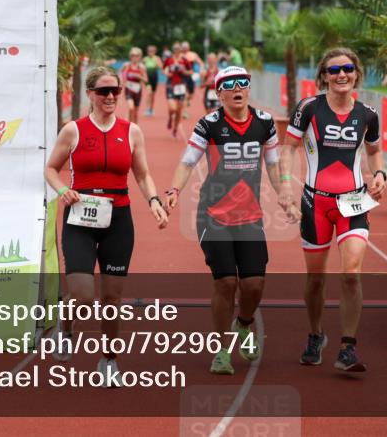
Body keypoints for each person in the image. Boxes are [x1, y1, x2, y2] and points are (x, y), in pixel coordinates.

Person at [44, 66, 169, 385]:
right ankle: (67, 328)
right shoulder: (73, 130)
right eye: (104, 91)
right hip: (80, 218)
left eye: (116, 90)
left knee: (112, 297)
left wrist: (154, 200)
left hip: (118, 219)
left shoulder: (131, 131)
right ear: (90, 95)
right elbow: (50, 169)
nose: (111, 96)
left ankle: (109, 358)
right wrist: (62, 190)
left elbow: (142, 174)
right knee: (83, 294)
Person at [165, 66, 284, 374]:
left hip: (250, 216)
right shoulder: (209, 124)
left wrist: (283, 194)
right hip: (213, 215)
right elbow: (187, 161)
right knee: (226, 282)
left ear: (248, 87)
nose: (237, 88)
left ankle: (243, 325)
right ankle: (222, 349)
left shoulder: (265, 123)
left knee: (254, 285)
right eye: (228, 85)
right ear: (218, 93)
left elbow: (273, 165)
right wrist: (174, 190)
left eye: (242, 82)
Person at [278, 47, 386, 372]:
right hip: (315, 203)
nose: (342, 75)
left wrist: (379, 174)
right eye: (334, 69)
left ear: (356, 73)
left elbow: (375, 151)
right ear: (324, 75)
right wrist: (285, 185)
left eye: (348, 69)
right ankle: (315, 334)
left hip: (353, 203)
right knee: (315, 279)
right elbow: (289, 148)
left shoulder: (368, 114)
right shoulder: (309, 109)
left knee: (351, 274)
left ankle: (348, 347)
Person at [163, 43, 192, 138]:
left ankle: (175, 130)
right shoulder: (169, 60)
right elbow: (164, 69)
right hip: (170, 85)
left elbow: (191, 71)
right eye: (175, 49)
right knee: (172, 108)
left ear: (181, 50)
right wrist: (167, 74)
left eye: (178, 49)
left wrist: (184, 71)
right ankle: (170, 118)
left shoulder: (184, 60)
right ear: (173, 50)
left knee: (179, 111)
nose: (177, 51)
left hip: (181, 86)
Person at [121, 48, 148, 124]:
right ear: (130, 56)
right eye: (133, 55)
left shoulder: (142, 67)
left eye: (137, 55)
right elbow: (120, 72)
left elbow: (146, 80)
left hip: (137, 90)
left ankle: (135, 128)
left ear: (140, 57)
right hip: (129, 89)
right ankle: (128, 126)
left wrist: (140, 77)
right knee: (131, 108)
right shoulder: (126, 65)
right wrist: (123, 81)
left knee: (135, 113)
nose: (134, 57)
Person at [143, 45, 163, 116]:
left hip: (154, 78)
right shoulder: (145, 59)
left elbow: (161, 67)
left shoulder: (157, 58)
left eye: (152, 51)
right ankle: (147, 109)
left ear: (155, 52)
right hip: (147, 79)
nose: (150, 52)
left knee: (153, 95)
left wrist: (158, 65)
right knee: (149, 93)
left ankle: (151, 109)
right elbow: (142, 68)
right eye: (149, 51)